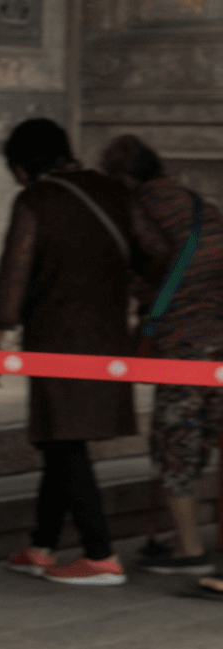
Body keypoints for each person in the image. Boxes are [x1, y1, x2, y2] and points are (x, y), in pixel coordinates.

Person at [0, 119, 167, 588]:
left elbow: (15, 270)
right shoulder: (113, 191)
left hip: (56, 338)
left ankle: (99, 554)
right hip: (108, 337)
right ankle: (41, 546)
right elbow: (156, 251)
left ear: (22, 166)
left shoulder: (35, 200)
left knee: (65, 441)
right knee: (59, 438)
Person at [100, 135, 223, 579]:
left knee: (176, 442)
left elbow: (149, 263)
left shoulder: (139, 208)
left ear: (123, 178)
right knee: (205, 436)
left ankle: (188, 547)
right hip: (219, 341)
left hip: (182, 342)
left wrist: (141, 296)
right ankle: (176, 538)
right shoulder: (196, 203)